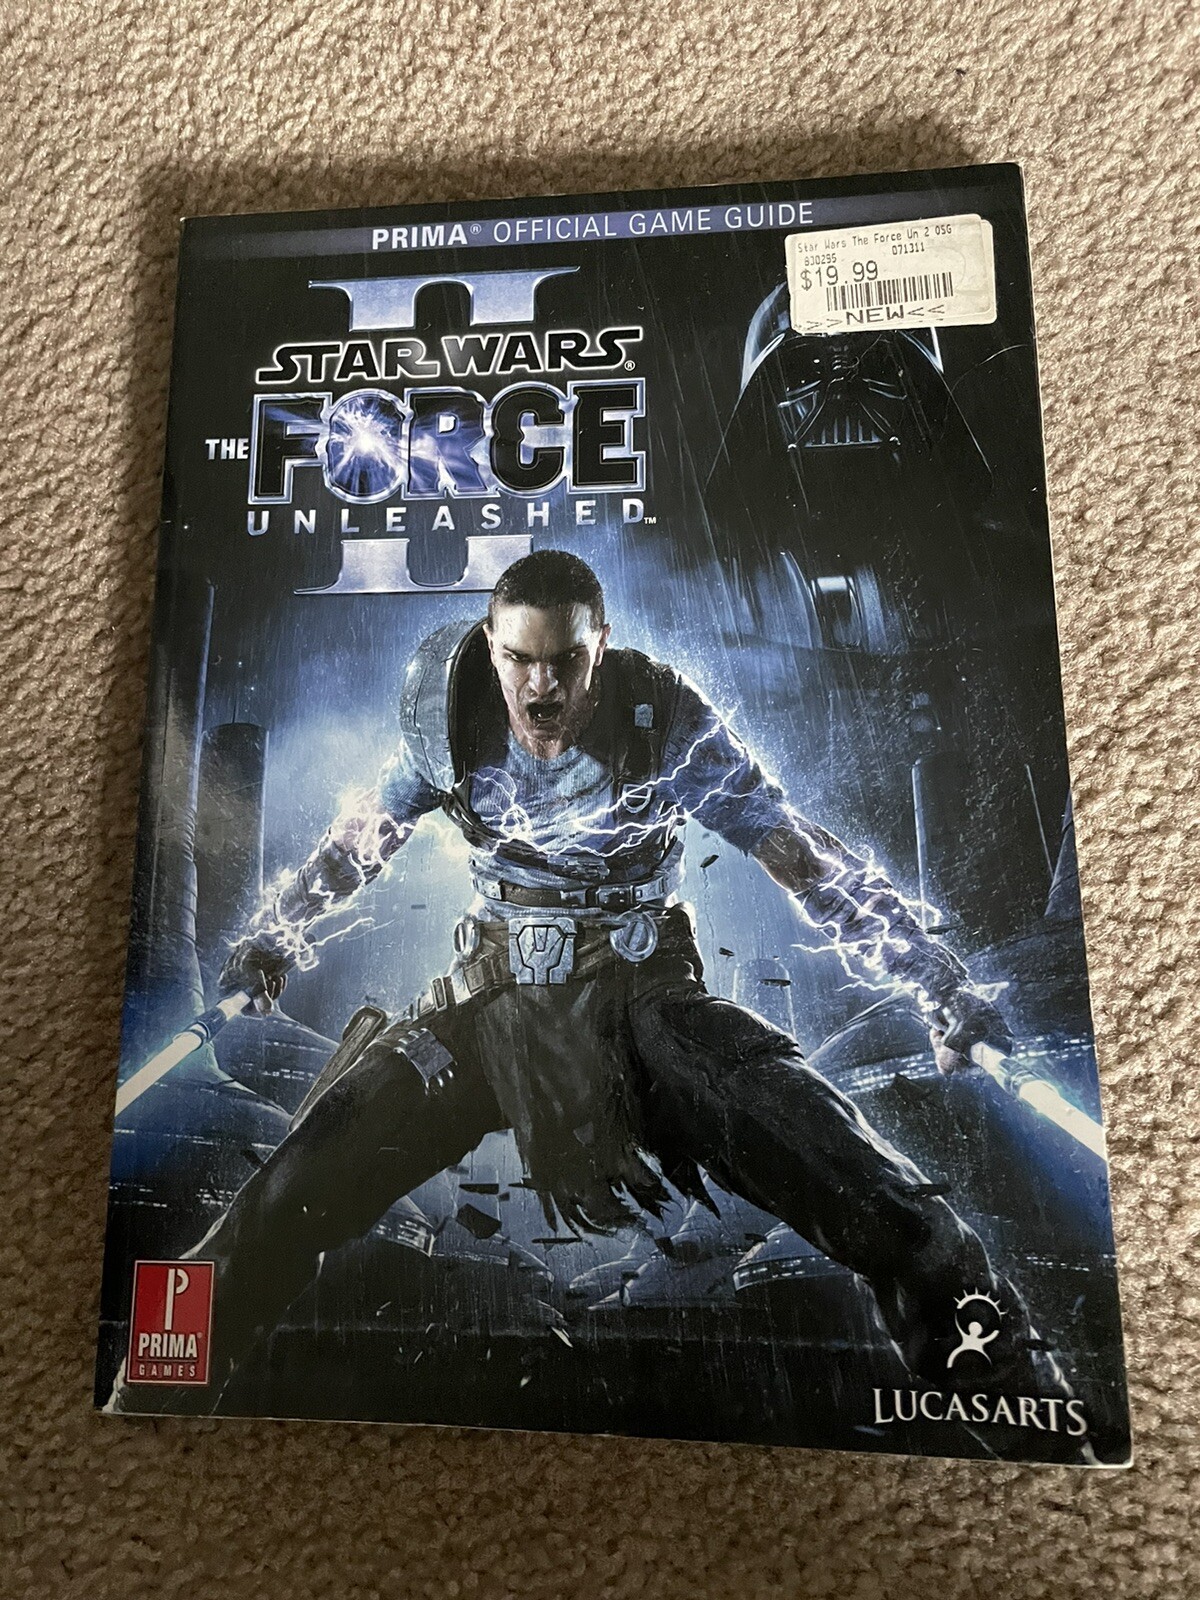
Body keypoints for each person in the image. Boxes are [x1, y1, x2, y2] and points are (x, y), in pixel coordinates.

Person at [109, 549, 1077, 1442]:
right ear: (492, 648)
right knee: (278, 1201)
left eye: (565, 661)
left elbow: (798, 854)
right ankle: (137, 1413)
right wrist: (273, 937)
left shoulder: (662, 716)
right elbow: (360, 843)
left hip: (641, 1001)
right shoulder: (446, 717)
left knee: (888, 1204)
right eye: (521, 661)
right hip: (488, 1008)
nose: (543, 688)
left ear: (599, 647)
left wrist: (936, 982)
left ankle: (1036, 1424)